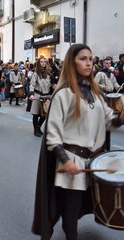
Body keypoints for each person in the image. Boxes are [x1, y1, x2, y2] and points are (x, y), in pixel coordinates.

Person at [32, 43, 124, 240]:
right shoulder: (63, 93)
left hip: (94, 160)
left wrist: (121, 118)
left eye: (90, 59)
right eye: (83, 59)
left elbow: (109, 121)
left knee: (83, 204)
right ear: (72, 63)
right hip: (72, 159)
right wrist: (66, 161)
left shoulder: (96, 92)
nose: (89, 63)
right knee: (70, 210)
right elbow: (53, 135)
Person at [29, 57, 53, 137]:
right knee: (36, 114)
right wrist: (31, 94)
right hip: (37, 95)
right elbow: (32, 84)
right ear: (39, 63)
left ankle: (38, 127)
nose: (43, 63)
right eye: (41, 62)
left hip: (46, 96)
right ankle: (35, 129)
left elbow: (50, 85)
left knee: (44, 114)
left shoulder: (48, 74)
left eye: (44, 62)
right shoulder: (35, 74)